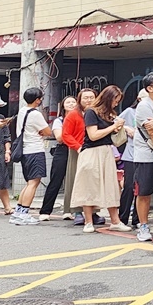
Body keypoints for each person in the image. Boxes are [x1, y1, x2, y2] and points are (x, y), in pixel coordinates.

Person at [73, 85, 132, 234]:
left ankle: (115, 221)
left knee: (111, 186)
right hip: (91, 152)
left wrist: (117, 128)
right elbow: (93, 135)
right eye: (115, 100)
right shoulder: (91, 112)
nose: (116, 104)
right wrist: (113, 127)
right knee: (89, 186)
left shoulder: (109, 114)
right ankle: (88, 221)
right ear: (108, 98)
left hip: (106, 151)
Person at [131, 73, 153, 243]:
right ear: (150, 88)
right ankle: (143, 226)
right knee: (144, 191)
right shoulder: (144, 106)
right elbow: (151, 132)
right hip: (147, 154)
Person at [11, 87, 53, 226]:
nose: (41, 100)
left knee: (29, 182)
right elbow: (47, 131)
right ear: (37, 100)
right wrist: (42, 131)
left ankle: (18, 212)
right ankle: (24, 214)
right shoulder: (35, 114)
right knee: (33, 183)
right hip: (35, 150)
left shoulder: (22, 110)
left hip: (25, 151)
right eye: (40, 98)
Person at [62, 88, 100, 226]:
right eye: (85, 98)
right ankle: (77, 211)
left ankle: (94, 212)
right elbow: (66, 134)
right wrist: (78, 147)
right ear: (80, 100)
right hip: (77, 150)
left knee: (93, 181)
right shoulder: (73, 115)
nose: (89, 100)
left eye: (91, 97)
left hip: (94, 150)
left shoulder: (98, 113)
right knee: (75, 180)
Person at [39, 95, 76, 220]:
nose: (71, 104)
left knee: (74, 182)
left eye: (73, 102)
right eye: (68, 102)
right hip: (63, 150)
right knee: (56, 180)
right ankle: (45, 211)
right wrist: (73, 136)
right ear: (63, 106)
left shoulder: (82, 118)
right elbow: (59, 137)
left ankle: (69, 210)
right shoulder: (59, 120)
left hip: (76, 150)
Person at [117, 91, 143, 229]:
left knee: (142, 188)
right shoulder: (130, 111)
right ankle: (123, 217)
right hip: (131, 154)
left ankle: (137, 219)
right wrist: (127, 128)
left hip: (148, 155)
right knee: (128, 186)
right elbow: (115, 121)